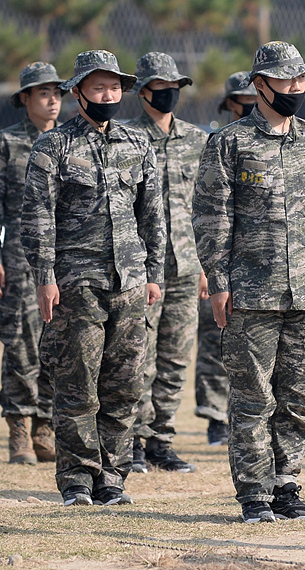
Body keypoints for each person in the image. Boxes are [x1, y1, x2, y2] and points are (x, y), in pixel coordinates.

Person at [193, 41, 305, 524]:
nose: (297, 87)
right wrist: (218, 281)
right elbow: (211, 216)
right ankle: (255, 494)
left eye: (302, 79)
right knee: (253, 398)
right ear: (260, 85)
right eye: (286, 79)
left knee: (298, 397)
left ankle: (287, 484)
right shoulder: (230, 143)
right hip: (251, 293)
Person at [21, 50, 166, 507]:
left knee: (124, 385)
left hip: (129, 282)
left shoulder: (137, 143)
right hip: (75, 283)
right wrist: (45, 276)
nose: (109, 95)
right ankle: (78, 479)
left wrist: (154, 274)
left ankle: (113, 477)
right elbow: (37, 216)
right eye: (99, 87)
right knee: (78, 384)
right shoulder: (54, 147)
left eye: (115, 87)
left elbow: (153, 215)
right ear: (78, 91)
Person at [0, 62, 65, 465]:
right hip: (20, 258)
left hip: (67, 257)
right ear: (25, 98)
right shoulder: (7, 143)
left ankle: (47, 426)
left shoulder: (70, 142)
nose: (52, 100)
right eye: (43, 93)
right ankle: (19, 429)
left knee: (59, 343)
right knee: (20, 343)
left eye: (57, 93)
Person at [126, 52, 208, 474]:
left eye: (175, 86)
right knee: (139, 354)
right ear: (143, 92)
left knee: (177, 356)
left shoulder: (198, 140)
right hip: (141, 268)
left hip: (188, 266)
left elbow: (211, 207)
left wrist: (208, 266)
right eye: (161, 87)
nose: (170, 93)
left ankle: (162, 439)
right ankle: (133, 441)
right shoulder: (125, 138)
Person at [193, 71, 255, 447]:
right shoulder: (218, 143)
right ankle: (215, 416)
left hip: (258, 265)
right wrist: (207, 267)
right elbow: (205, 209)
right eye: (242, 98)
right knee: (217, 341)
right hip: (221, 262)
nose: (250, 102)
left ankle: (242, 417)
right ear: (230, 103)